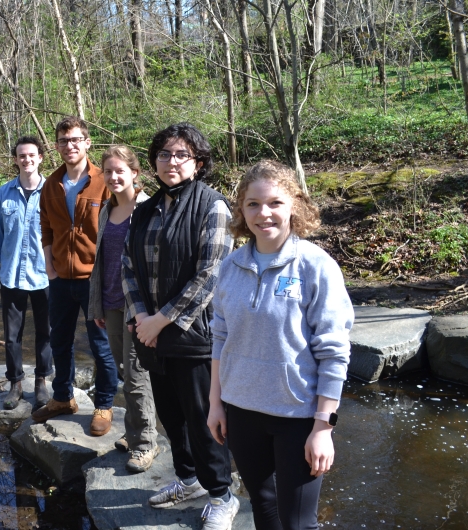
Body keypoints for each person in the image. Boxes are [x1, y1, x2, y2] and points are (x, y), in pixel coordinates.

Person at [207, 160, 353, 530]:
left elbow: (333, 352)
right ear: (241, 209)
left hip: (299, 417)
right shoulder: (230, 266)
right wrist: (215, 404)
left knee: (298, 521)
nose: (263, 213)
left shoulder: (316, 267)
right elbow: (220, 338)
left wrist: (324, 426)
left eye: (275, 202)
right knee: (263, 506)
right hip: (241, 411)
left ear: (295, 207)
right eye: (253, 204)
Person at [123, 123, 238, 528]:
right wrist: (141, 317)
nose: (172, 161)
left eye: (181, 155)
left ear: (198, 162)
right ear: (154, 162)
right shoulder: (144, 209)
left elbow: (211, 274)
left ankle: (223, 495)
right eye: (164, 154)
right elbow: (127, 267)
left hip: (195, 336)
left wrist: (160, 319)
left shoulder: (212, 206)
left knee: (205, 421)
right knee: (171, 417)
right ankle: (187, 479)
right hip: (150, 336)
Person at [31, 116, 119, 438]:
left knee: (101, 344)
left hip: (94, 280)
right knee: (60, 341)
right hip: (60, 280)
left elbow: (118, 228)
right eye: (64, 141)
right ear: (56, 146)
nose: (70, 146)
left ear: (87, 143)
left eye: (76, 140)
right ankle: (62, 397)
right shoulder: (51, 184)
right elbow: (45, 228)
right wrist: (50, 267)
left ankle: (105, 403)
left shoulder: (104, 181)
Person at [88, 146, 158, 472]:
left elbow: (153, 264)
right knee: (123, 371)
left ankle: (146, 444)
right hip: (112, 302)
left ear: (134, 173)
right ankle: (134, 433)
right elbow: (102, 259)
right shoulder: (106, 209)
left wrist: (147, 311)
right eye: (108, 172)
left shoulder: (147, 209)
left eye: (120, 171)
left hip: (138, 307)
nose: (114, 177)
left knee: (135, 374)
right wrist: (99, 304)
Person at [0, 136, 53, 412]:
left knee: (46, 332)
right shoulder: (3, 194)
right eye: (22, 156)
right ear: (15, 160)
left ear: (40, 158)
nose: (27, 160)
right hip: (11, 275)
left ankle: (41, 383)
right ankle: (15, 385)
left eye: (32, 155)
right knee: (12, 335)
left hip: (45, 275)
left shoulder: (52, 192)